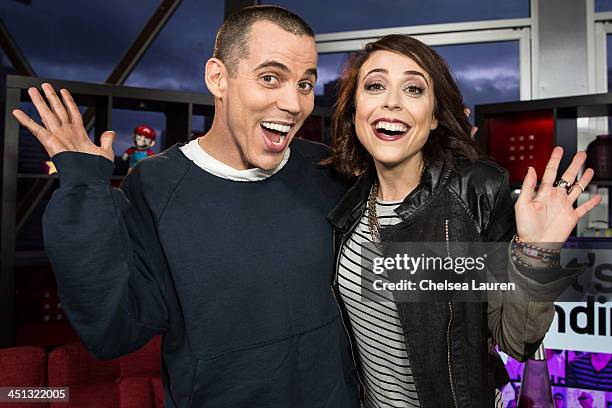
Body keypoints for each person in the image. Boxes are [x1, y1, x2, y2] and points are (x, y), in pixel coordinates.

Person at [12, 6, 359, 407]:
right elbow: (113, 329)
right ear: (217, 78)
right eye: (270, 78)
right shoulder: (156, 185)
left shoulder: (325, 170)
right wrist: (84, 188)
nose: (294, 103)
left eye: (304, 84)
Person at [324, 35, 601, 407]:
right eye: (375, 86)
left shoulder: (476, 192)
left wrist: (536, 253)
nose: (391, 101)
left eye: (413, 89)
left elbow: (517, 340)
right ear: (355, 108)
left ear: (435, 116)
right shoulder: (345, 201)